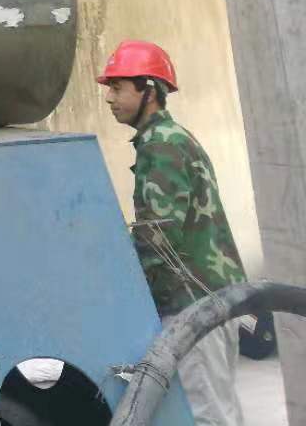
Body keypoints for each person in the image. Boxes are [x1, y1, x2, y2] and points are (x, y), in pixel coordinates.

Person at [99, 39, 247, 426]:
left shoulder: (162, 145)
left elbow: (158, 236)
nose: (109, 98)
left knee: (206, 415)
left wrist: (129, 294)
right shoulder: (168, 138)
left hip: (193, 302)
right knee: (216, 410)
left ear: (148, 90)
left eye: (118, 87)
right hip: (207, 298)